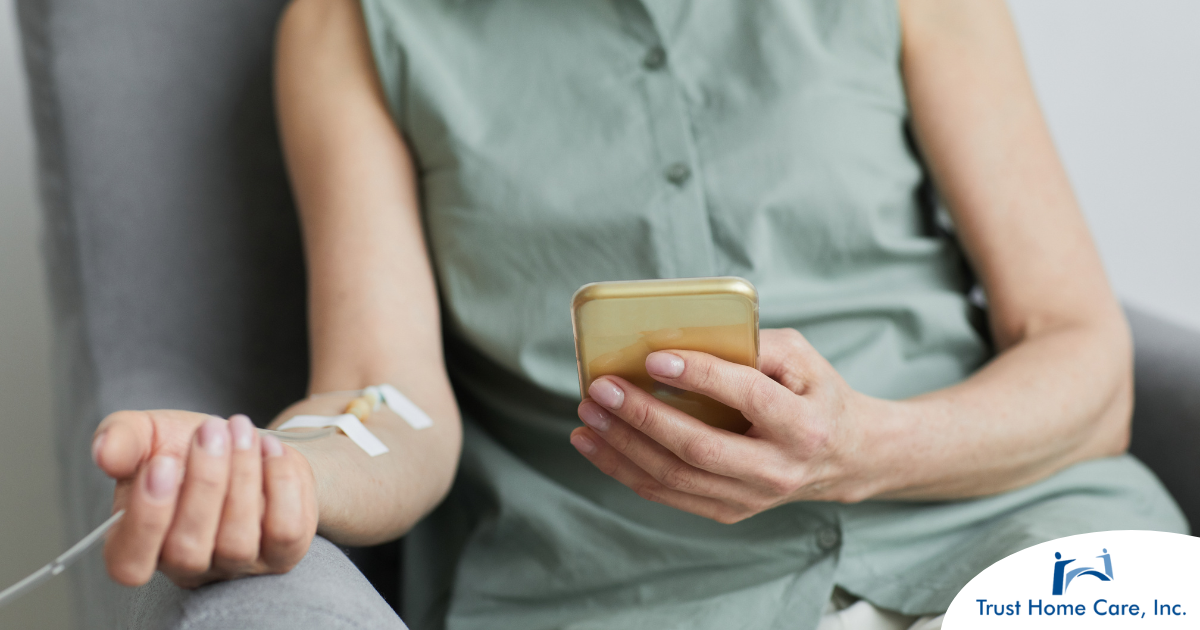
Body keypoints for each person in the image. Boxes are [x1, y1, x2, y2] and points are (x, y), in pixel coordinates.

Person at [89, 0, 1186, 628]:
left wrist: (866, 448)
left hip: (1024, 544)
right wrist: (281, 469)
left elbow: (1084, 361)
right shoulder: (352, 26)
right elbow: (384, 397)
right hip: (627, 598)